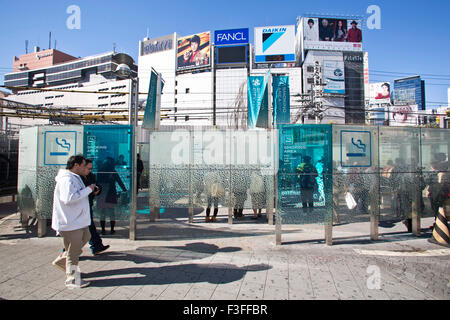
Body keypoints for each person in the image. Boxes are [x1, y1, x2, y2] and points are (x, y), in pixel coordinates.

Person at [51, 155, 94, 289]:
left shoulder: (74, 178)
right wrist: (89, 190)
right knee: (74, 252)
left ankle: (65, 260)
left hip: (77, 221)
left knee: (87, 236)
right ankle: (72, 278)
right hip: (70, 222)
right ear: (76, 165)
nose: (85, 168)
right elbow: (68, 198)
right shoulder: (66, 179)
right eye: (83, 165)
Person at [82, 159, 110, 255]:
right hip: (80, 206)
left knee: (89, 226)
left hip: (88, 204)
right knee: (84, 228)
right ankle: (67, 251)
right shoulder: (76, 178)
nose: (90, 170)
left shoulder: (91, 176)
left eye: (91, 168)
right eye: (88, 168)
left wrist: (97, 190)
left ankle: (96, 245)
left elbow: (97, 185)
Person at [96, 157, 127, 235]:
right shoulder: (113, 172)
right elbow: (119, 182)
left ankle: (103, 229)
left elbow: (96, 182)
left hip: (102, 193)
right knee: (111, 212)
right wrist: (125, 190)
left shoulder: (100, 171)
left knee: (102, 213)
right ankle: (112, 229)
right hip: (111, 193)